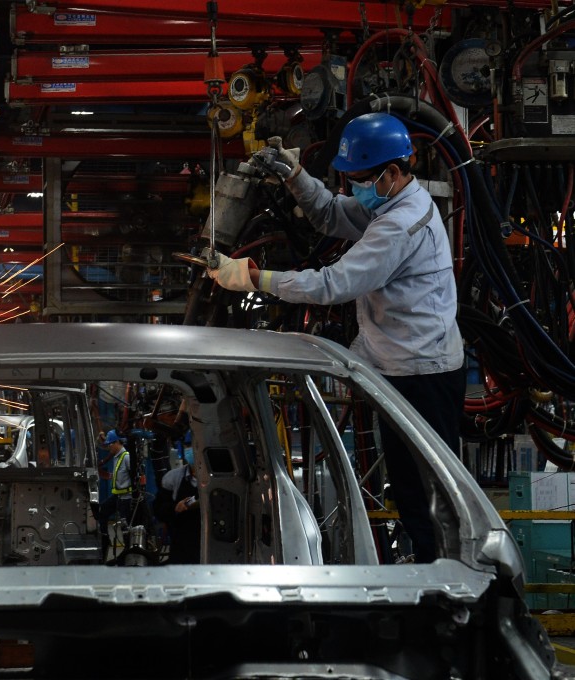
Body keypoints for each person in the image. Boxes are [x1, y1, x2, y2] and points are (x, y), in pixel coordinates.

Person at [207, 112, 464, 564]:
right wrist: (296, 176)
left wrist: (254, 277)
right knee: (410, 488)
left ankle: (445, 581)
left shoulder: (398, 226)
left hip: (422, 375)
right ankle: (431, 571)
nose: (352, 188)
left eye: (359, 180)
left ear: (392, 172)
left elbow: (332, 286)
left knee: (429, 495)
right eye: (346, 179)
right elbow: (329, 214)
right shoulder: (387, 203)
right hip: (401, 366)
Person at [153, 443, 201, 564]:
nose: (191, 449)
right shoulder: (173, 478)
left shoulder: (219, 479)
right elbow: (159, 509)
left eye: (195, 444)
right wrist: (175, 507)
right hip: (181, 547)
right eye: (188, 445)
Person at [98, 429, 133, 559]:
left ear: (118, 442)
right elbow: (121, 475)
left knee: (125, 528)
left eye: (111, 444)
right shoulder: (117, 457)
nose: (109, 447)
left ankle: (128, 553)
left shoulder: (127, 457)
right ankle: (104, 541)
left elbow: (134, 477)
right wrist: (109, 476)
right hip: (118, 496)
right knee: (102, 511)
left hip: (126, 498)